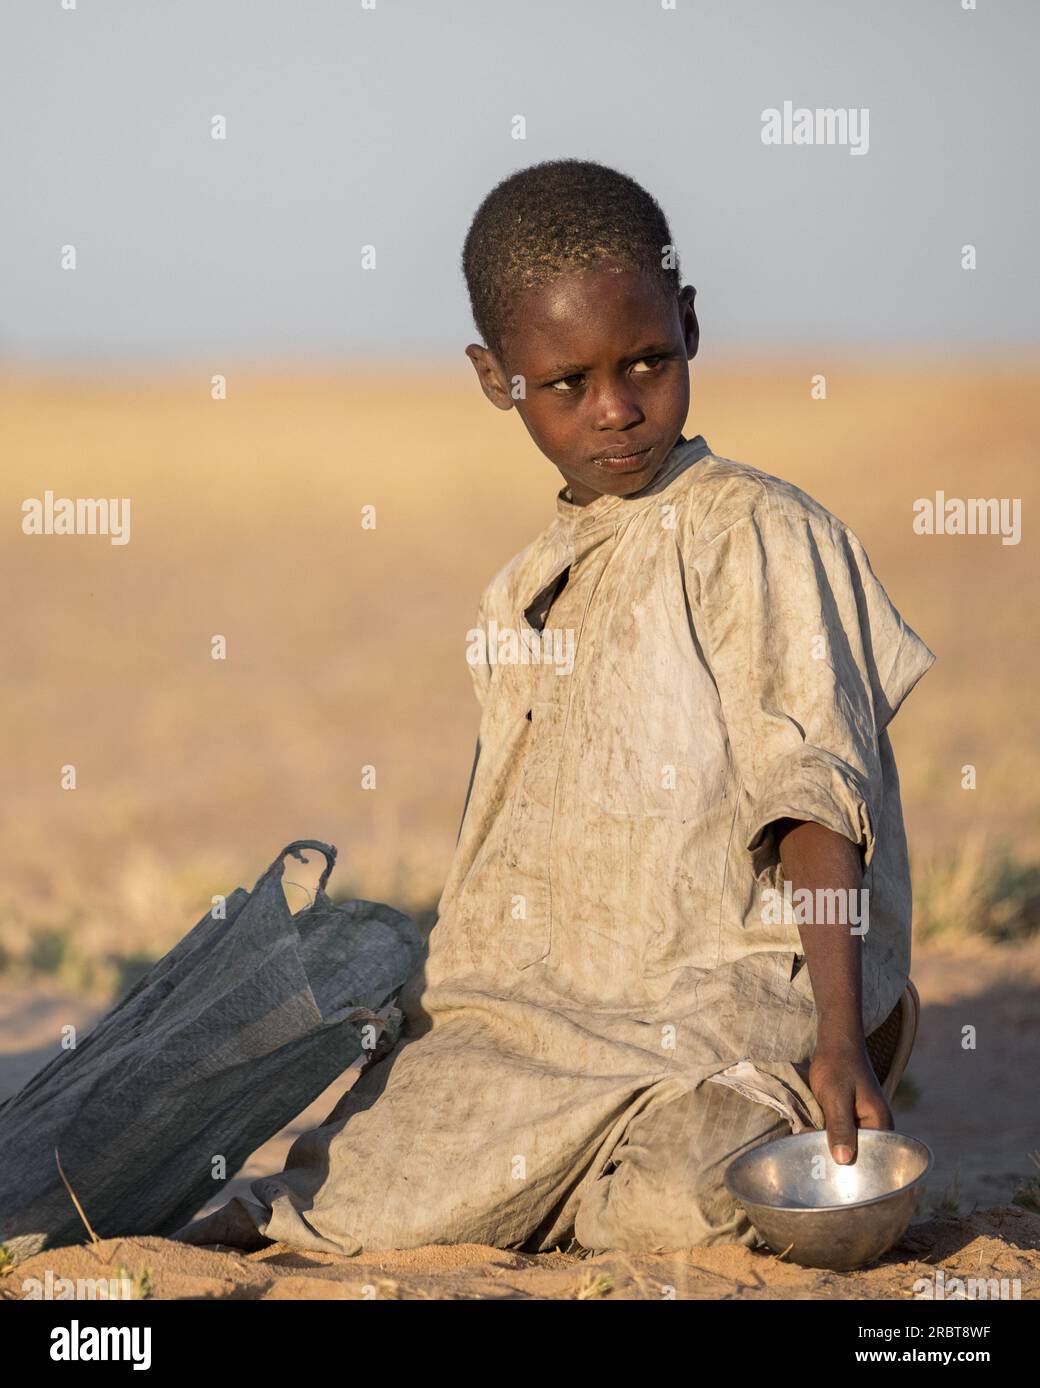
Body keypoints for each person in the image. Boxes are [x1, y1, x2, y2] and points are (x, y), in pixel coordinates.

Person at [174, 159, 934, 1256]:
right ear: (496, 378)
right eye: (565, 383)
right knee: (353, 1206)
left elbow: (813, 801)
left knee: (686, 1204)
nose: (616, 407)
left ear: (688, 325)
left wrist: (835, 1040)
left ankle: (639, 1175)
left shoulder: (753, 531)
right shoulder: (524, 586)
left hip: (724, 1022)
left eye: (645, 362)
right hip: (523, 1030)